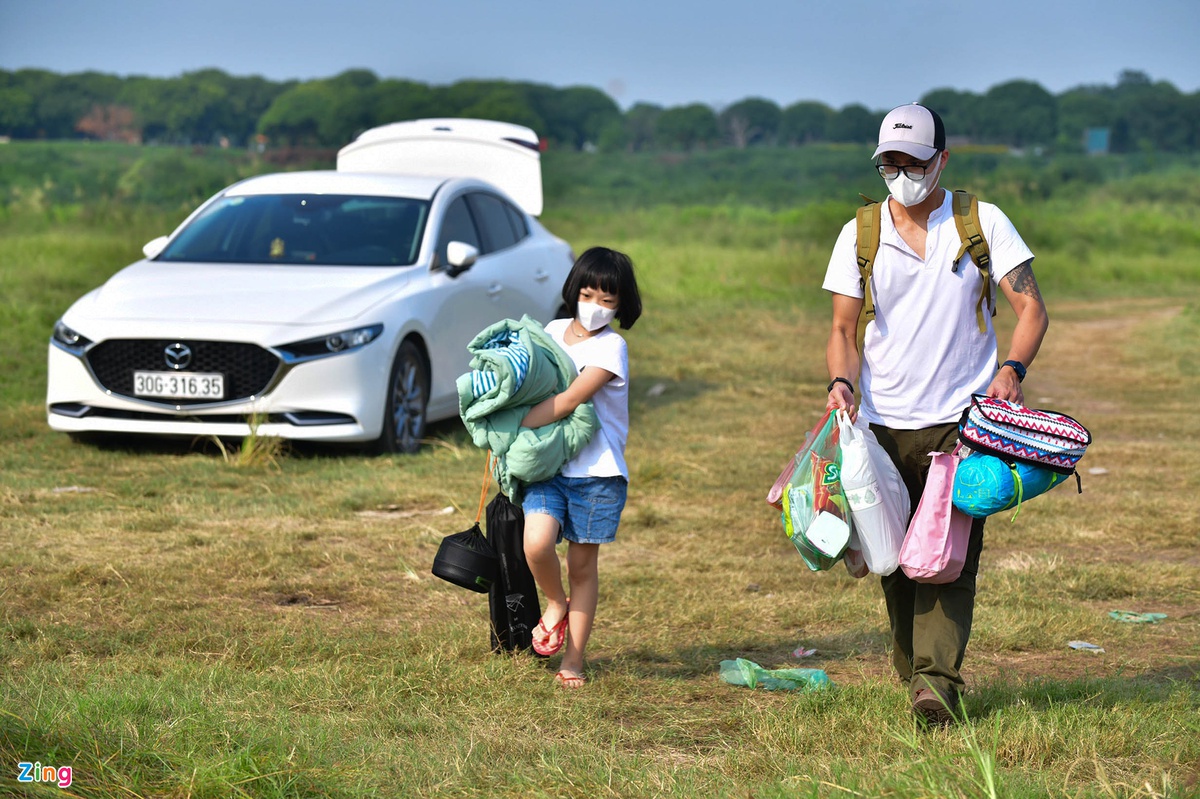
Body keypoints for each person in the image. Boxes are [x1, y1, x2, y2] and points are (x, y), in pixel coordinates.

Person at [822, 103, 1049, 726]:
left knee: (947, 560)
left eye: (914, 162)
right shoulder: (859, 234)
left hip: (962, 424)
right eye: (889, 163)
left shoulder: (981, 223)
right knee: (893, 560)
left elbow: (1031, 309)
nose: (901, 174)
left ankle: (937, 685)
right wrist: (843, 380)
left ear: (940, 160)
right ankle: (916, 674)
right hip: (880, 427)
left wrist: (1012, 371)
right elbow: (842, 327)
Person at [519, 246, 643, 689]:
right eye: (588, 295)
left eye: (607, 301)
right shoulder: (550, 330)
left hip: (597, 476)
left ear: (621, 305)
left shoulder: (612, 348)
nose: (595, 308)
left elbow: (569, 399)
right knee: (536, 543)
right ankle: (555, 603)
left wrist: (512, 427)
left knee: (582, 568)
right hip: (550, 466)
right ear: (574, 291)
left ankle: (573, 659)